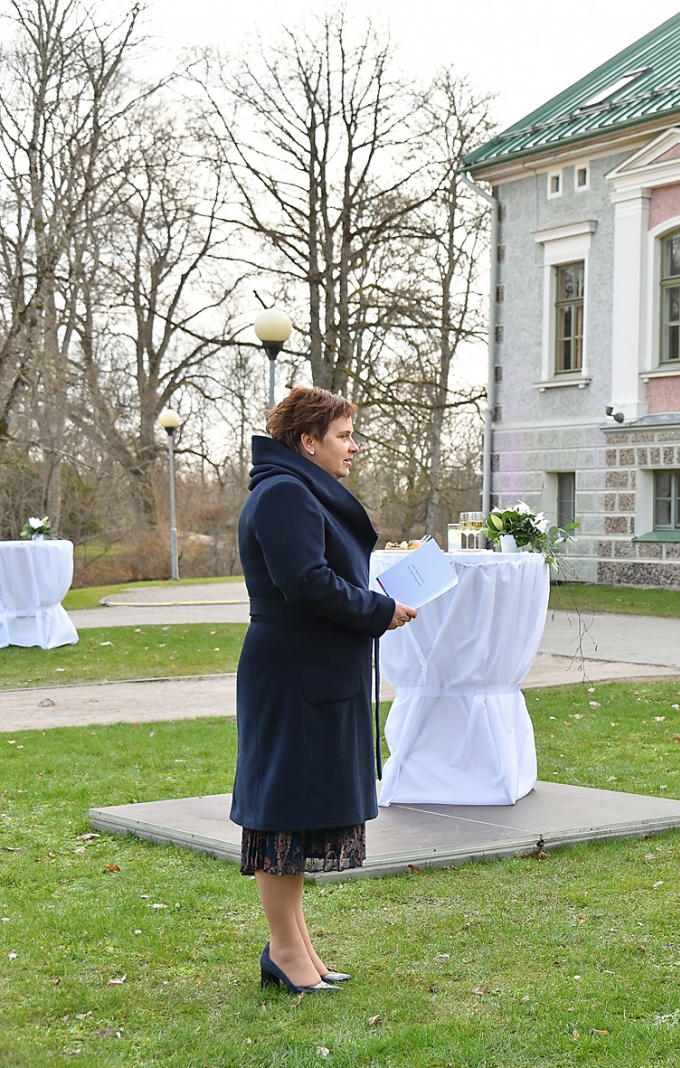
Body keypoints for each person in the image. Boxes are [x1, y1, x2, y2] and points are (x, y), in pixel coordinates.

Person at [232, 386, 418, 993]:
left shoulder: (295, 488)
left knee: (296, 812)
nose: (354, 446)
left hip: (310, 668)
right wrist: (377, 610)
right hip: (293, 672)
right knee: (281, 813)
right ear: (307, 442)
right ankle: (285, 951)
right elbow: (306, 583)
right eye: (343, 435)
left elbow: (320, 572)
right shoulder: (285, 492)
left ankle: (297, 948)